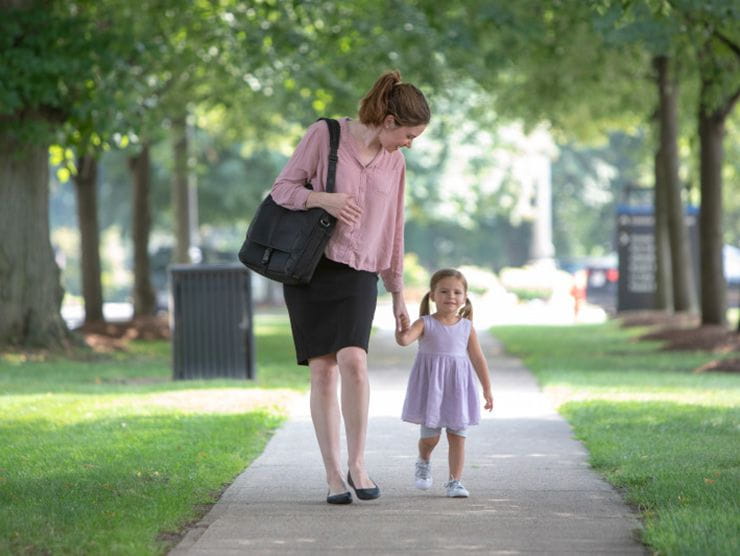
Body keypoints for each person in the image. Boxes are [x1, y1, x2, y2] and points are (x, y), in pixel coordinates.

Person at [269, 70, 430, 504]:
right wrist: (324, 198)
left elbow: (393, 228)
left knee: (355, 362)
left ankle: (358, 464)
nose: (411, 144)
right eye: (410, 134)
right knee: (323, 370)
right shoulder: (325, 136)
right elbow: (282, 189)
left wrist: (397, 292)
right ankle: (331, 475)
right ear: (390, 120)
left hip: (359, 272)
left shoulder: (395, 163)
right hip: (310, 269)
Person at [395, 268, 494, 498]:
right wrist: (401, 329)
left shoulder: (466, 327)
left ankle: (454, 482)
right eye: (444, 291)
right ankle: (424, 459)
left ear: (465, 297)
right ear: (432, 295)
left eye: (457, 292)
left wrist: (487, 389)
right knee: (430, 438)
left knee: (458, 436)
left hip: (458, 390)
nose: (451, 296)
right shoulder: (425, 323)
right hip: (433, 390)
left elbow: (478, 358)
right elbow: (405, 340)